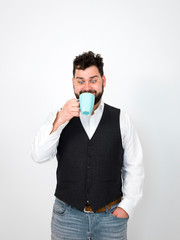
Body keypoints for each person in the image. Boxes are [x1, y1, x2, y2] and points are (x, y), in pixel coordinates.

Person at [31, 51, 144, 240]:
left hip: (111, 218)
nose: (87, 87)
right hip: (67, 217)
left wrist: (127, 206)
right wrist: (60, 120)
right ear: (73, 83)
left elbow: (134, 166)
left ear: (103, 81)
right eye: (81, 81)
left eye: (93, 80)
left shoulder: (122, 119)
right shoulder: (58, 117)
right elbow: (38, 156)